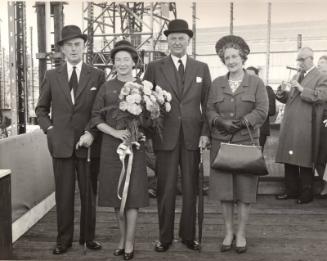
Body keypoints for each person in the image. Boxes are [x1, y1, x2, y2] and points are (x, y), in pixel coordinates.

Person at [35, 25, 105, 254]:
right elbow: (41, 109)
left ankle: (88, 238)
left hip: (88, 146)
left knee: (88, 195)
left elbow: (101, 110)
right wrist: (51, 130)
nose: (73, 48)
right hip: (61, 146)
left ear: (84, 47)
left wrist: (92, 133)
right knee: (64, 196)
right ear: (62, 50)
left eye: (77, 44)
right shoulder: (52, 76)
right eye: (69, 45)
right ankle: (63, 241)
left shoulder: (96, 74)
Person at [143, 19, 211, 252]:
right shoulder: (154, 67)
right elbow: (146, 100)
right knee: (166, 188)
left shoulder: (201, 68)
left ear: (188, 41)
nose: (177, 42)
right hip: (165, 137)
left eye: (182, 38)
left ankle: (188, 235)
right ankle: (164, 237)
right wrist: (150, 124)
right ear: (167, 41)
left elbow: (207, 105)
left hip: (193, 137)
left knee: (192, 188)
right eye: (173, 38)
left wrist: (205, 133)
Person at [207, 35, 268, 254]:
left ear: (242, 56)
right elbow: (209, 110)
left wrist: (244, 122)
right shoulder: (217, 84)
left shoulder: (256, 83)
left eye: (234, 56)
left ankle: (241, 234)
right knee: (225, 192)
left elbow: (262, 110)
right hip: (221, 143)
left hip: (245, 143)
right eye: (226, 57)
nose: (231, 60)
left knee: (244, 192)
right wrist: (219, 121)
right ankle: (228, 232)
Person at [91, 40, 149, 260]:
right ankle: (121, 239)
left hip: (135, 147)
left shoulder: (144, 87)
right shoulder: (107, 87)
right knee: (118, 197)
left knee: (132, 197)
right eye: (118, 60)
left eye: (126, 59)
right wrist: (114, 133)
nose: (122, 63)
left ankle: (130, 242)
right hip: (111, 148)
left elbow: (151, 119)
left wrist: (141, 130)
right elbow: (96, 116)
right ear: (113, 64)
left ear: (134, 62)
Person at [275, 47, 327, 204]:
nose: (299, 63)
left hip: (307, 125)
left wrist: (301, 88)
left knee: (304, 159)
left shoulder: (321, 76)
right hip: (291, 123)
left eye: (301, 59)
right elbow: (291, 99)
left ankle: (306, 194)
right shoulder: (298, 75)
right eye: (298, 60)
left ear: (311, 59)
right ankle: (291, 191)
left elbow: (322, 96)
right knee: (289, 159)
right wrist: (281, 93)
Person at [246, 66, 276, 150]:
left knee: (256, 157)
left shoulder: (267, 89)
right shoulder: (242, 91)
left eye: (252, 76)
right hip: (244, 130)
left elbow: (272, 110)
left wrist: (257, 109)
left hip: (260, 129)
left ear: (257, 76)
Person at [315, 55, 327, 197]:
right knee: (318, 156)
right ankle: (322, 183)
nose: (319, 65)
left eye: (323, 63)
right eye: (318, 63)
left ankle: (325, 185)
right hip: (316, 122)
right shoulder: (316, 81)